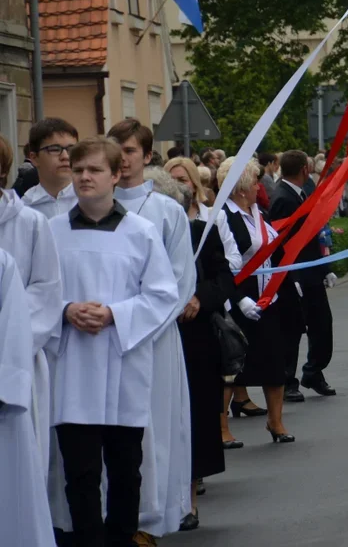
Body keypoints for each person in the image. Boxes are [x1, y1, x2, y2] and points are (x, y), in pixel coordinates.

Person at [48, 137, 179, 547]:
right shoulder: (51, 231)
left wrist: (113, 314)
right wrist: (67, 309)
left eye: (94, 170)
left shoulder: (140, 233)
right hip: (72, 366)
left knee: (126, 469)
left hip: (124, 361)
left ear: (116, 175)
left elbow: (162, 294)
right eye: (79, 169)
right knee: (81, 472)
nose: (84, 177)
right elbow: (35, 292)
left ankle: (122, 538)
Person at [107, 119, 196, 544]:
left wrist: (138, 326)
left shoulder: (167, 211)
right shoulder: (89, 207)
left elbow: (180, 282)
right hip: (102, 340)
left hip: (154, 340)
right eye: (116, 151)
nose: (122, 160)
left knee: (154, 428)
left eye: (129, 151)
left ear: (146, 155)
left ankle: (151, 517)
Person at [169, 179, 232, 532]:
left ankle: (188, 499)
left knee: (192, 414)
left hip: (194, 332)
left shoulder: (201, 231)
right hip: (154, 333)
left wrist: (198, 299)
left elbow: (223, 277)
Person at [0, 136, 64, 472]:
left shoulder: (29, 222)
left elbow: (46, 289)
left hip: (18, 356)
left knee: (20, 465)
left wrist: (8, 330)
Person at [219, 157, 294, 444]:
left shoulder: (258, 212)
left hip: (267, 299)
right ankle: (222, 429)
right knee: (231, 369)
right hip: (239, 302)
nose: (258, 186)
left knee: (275, 363)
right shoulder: (224, 216)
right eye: (254, 181)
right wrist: (239, 300)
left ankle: (276, 423)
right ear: (240, 188)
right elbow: (222, 265)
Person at [270, 150, 337, 399]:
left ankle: (313, 371)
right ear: (305, 170)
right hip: (296, 276)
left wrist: (325, 267)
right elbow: (280, 242)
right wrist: (292, 277)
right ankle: (288, 379)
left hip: (311, 271)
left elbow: (310, 235)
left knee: (321, 325)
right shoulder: (283, 198)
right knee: (294, 329)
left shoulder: (298, 194)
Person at [165, 157, 243, 271]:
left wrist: (209, 270)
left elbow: (235, 258)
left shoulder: (216, 217)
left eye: (182, 180)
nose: (176, 185)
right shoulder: (159, 220)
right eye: (171, 180)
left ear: (195, 185)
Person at [23, 118, 79, 218]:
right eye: (54, 149)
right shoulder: (25, 206)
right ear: (34, 158)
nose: (65, 156)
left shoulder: (92, 199)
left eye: (71, 149)